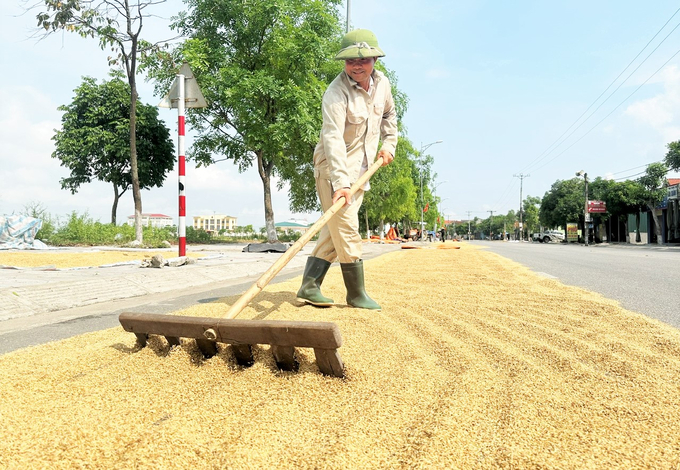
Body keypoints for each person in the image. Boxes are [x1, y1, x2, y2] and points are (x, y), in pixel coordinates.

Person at [296, 29, 398, 311]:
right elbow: (332, 140)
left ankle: (309, 286)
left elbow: (389, 115)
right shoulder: (335, 93)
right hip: (333, 170)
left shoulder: (383, 85)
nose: (357, 65)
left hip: (362, 169)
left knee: (334, 231)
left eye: (364, 59)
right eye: (351, 59)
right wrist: (341, 183)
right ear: (344, 61)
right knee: (348, 229)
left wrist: (389, 145)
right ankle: (356, 294)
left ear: (375, 59)